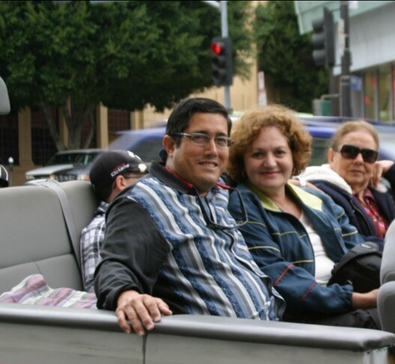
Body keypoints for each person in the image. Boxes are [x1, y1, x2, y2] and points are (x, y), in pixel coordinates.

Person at [94, 97, 284, 336]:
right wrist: (127, 295)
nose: (213, 150)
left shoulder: (214, 190)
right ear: (171, 145)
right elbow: (115, 265)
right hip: (225, 352)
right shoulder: (143, 201)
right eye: (200, 138)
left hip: (275, 329)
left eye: (222, 140)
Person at [227, 105, 379, 328]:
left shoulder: (317, 199)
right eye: (258, 154)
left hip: (349, 301)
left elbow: (357, 250)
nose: (270, 163)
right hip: (303, 320)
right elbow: (277, 276)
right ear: (243, 161)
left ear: (293, 155)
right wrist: (358, 299)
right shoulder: (242, 204)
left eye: (279, 152)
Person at [297, 120, 395, 239]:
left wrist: (393, 169)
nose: (359, 160)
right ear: (332, 157)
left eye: (368, 155)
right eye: (350, 152)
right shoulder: (320, 195)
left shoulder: (383, 193)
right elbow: (351, 244)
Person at [80, 150, 148, 293]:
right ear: (121, 182)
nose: (149, 184)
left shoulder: (145, 219)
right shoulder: (100, 230)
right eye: (142, 178)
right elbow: (99, 294)